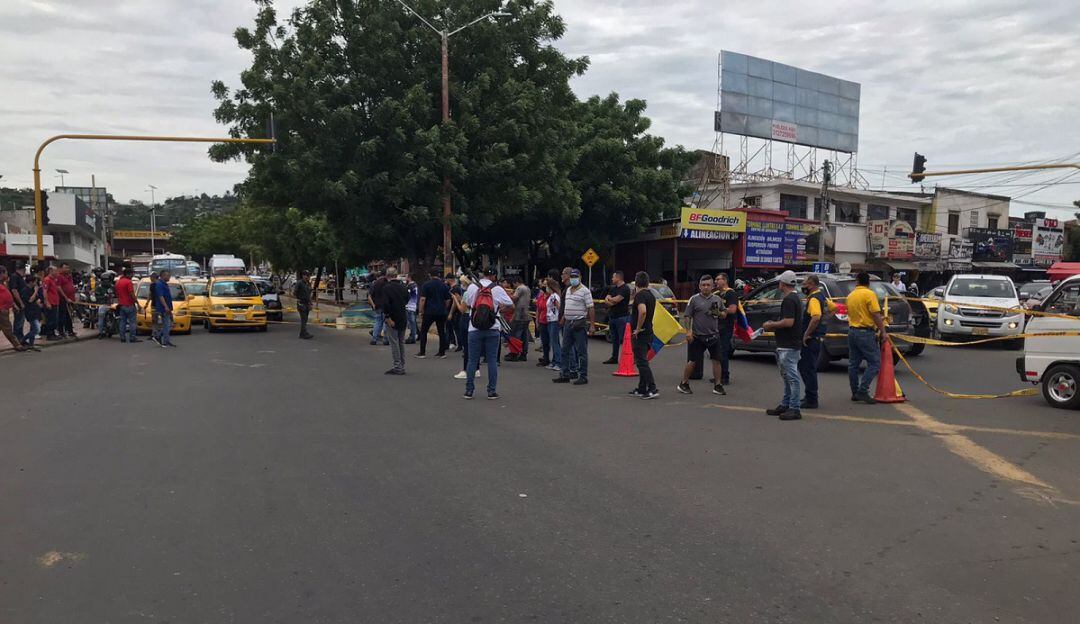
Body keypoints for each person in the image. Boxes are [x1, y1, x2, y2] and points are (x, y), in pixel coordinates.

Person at [463, 267, 514, 399]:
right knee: (492, 360)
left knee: (472, 360)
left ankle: (469, 390)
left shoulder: (473, 287)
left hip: (474, 328)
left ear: (482, 275)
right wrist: (498, 308)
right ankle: (491, 391)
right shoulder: (497, 289)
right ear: (494, 276)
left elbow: (467, 303)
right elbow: (510, 304)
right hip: (493, 328)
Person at [763, 270, 803, 420]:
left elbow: (788, 322)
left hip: (789, 344)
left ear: (782, 284)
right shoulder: (795, 298)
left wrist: (771, 324)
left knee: (791, 377)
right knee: (787, 376)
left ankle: (794, 407)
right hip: (789, 343)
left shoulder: (789, 300)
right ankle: (786, 404)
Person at [677, 275, 726, 396]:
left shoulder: (717, 299)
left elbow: (724, 313)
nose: (705, 287)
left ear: (712, 286)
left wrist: (718, 313)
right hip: (698, 336)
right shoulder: (694, 299)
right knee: (693, 361)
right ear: (699, 286)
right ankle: (684, 383)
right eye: (703, 285)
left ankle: (718, 385)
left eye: (708, 285)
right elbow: (687, 316)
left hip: (713, 336)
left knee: (717, 360)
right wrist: (688, 331)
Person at [847, 271, 887, 404]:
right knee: (875, 363)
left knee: (853, 364)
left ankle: (855, 392)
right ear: (868, 282)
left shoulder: (851, 295)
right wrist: (883, 331)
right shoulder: (870, 294)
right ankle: (863, 390)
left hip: (852, 331)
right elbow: (875, 314)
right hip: (865, 332)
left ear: (857, 281)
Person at [553, 269, 595, 385]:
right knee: (565, 350)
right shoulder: (568, 290)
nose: (573, 279)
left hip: (579, 323)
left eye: (575, 276)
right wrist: (563, 318)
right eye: (571, 276)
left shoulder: (585, 291)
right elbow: (567, 306)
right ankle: (565, 374)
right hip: (568, 323)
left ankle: (583, 375)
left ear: (580, 277)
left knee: (581, 351)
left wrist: (592, 325)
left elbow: (590, 308)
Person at [798, 275, 827, 409]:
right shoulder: (821, 296)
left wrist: (806, 334)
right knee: (808, 368)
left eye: (805, 284)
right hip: (817, 337)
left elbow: (816, 317)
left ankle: (811, 399)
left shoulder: (814, 299)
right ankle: (810, 396)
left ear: (811, 285)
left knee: (807, 368)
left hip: (811, 339)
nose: (803, 287)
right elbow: (833, 308)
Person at [630, 271, 658, 399]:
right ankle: (642, 388)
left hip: (641, 334)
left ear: (636, 282)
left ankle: (652, 388)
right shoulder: (651, 295)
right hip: (649, 332)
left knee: (641, 362)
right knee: (643, 360)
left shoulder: (640, 295)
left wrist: (637, 328)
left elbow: (643, 312)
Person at [417, 267, 451, 359]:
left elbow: (423, 299)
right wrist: (445, 307)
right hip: (441, 311)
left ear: (430, 275)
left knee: (424, 331)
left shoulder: (426, 285)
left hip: (429, 311)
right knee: (441, 331)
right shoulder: (444, 285)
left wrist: (421, 310)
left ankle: (422, 352)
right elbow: (448, 299)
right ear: (438, 274)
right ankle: (442, 352)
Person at [382, 267, 409, 375]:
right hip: (402, 315)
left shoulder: (387, 288)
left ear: (387, 275)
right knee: (401, 342)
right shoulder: (403, 287)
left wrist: (388, 317)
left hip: (392, 317)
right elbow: (407, 298)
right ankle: (402, 364)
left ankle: (397, 366)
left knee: (394, 343)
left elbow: (386, 304)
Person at [714, 273, 739, 386]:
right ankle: (718, 375)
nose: (716, 281)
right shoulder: (717, 294)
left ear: (724, 280)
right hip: (717, 326)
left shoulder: (731, 294)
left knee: (723, 352)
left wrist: (720, 311)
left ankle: (725, 377)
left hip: (726, 326)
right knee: (716, 352)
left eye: (718, 279)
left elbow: (733, 309)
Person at [603, 271, 632, 364]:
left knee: (624, 339)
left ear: (618, 278)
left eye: (613, 277)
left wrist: (612, 300)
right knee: (614, 339)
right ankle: (614, 358)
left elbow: (617, 299)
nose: (612, 279)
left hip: (622, 317)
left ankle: (628, 358)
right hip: (612, 316)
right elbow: (606, 299)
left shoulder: (625, 289)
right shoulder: (613, 288)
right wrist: (612, 300)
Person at [0, 267, 28, 352]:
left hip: (5, 308)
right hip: (2, 309)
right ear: (1, 273)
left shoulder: (3, 283)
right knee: (8, 328)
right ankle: (17, 345)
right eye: (5, 273)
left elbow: (8, 295)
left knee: (5, 327)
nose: (7, 275)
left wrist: (14, 305)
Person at [507, 275, 532, 361]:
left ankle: (515, 353)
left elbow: (514, 298)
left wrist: (507, 295)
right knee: (524, 336)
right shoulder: (527, 288)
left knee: (516, 335)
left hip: (519, 315)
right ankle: (524, 353)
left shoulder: (520, 288)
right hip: (526, 314)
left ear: (516, 282)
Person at [542, 277, 563, 371]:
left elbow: (559, 307)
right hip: (550, 320)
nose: (545, 287)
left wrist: (560, 318)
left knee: (555, 342)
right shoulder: (551, 296)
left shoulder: (554, 296)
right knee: (553, 341)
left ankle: (558, 362)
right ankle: (554, 361)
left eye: (546, 286)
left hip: (554, 320)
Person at [115, 267, 140, 343]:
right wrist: (137, 302)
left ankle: (122, 337)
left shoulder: (118, 282)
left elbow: (117, 294)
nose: (132, 275)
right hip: (129, 305)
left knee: (122, 322)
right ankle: (132, 338)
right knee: (132, 322)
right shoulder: (128, 282)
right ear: (128, 274)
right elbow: (132, 293)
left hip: (121, 305)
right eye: (132, 274)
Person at [154, 270, 177, 348]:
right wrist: (165, 306)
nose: (169, 277)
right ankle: (158, 336)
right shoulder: (159, 284)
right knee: (166, 325)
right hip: (163, 308)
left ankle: (166, 341)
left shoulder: (165, 284)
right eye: (168, 276)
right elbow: (161, 296)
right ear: (163, 276)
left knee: (168, 325)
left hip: (167, 307)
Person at [21, 273, 43, 350]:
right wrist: (36, 291)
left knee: (33, 328)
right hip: (30, 312)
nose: (35, 284)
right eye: (34, 282)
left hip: (36, 311)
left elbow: (36, 299)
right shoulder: (25, 290)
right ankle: (23, 339)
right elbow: (30, 300)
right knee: (37, 329)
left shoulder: (32, 289)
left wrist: (39, 303)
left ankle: (31, 344)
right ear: (30, 282)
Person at [57, 262, 77, 339]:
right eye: (65, 267)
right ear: (61, 268)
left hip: (70, 299)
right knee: (63, 316)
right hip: (62, 299)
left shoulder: (69, 276)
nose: (67, 269)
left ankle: (70, 330)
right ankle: (61, 331)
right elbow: (59, 288)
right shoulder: (59, 276)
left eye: (68, 268)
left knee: (69, 316)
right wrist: (66, 298)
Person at [368, 270, 389, 346]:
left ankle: (374, 339)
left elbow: (369, 296)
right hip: (385, 306)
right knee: (385, 323)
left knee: (377, 322)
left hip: (377, 306)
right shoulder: (387, 283)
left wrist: (373, 305)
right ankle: (386, 339)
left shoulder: (375, 283)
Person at [9, 264, 27, 345]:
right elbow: (14, 290)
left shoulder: (19, 277)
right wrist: (20, 302)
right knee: (19, 321)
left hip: (21, 302)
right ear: (22, 269)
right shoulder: (15, 277)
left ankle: (20, 338)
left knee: (21, 321)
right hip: (18, 303)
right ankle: (18, 339)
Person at [94, 270, 115, 339]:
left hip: (112, 304)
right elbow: (97, 297)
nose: (106, 281)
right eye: (104, 280)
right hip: (103, 304)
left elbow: (116, 295)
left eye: (107, 279)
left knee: (117, 316)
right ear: (102, 280)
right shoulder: (99, 287)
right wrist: (104, 296)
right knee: (101, 318)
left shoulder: (112, 286)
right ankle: (100, 332)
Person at [42, 265, 61, 341]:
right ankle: (50, 335)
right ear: (50, 271)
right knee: (50, 319)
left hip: (55, 302)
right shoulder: (47, 279)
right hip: (51, 303)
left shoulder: (53, 280)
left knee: (54, 319)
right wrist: (47, 302)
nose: (56, 272)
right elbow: (45, 291)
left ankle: (53, 333)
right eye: (55, 271)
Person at [294, 269, 314, 339]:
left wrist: (310, 303)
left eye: (308, 275)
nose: (307, 277)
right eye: (306, 275)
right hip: (301, 303)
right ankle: (303, 333)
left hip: (307, 304)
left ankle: (303, 333)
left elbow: (308, 295)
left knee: (305, 319)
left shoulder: (308, 283)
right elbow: (295, 292)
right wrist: (299, 298)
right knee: (304, 319)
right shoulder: (299, 283)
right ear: (303, 276)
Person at [534, 281, 550, 367]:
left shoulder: (553, 296)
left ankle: (555, 360)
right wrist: (537, 321)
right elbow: (538, 309)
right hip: (542, 321)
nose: (543, 286)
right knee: (545, 342)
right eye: (543, 284)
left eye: (545, 284)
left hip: (551, 322)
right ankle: (546, 357)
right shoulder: (541, 296)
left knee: (553, 342)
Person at [444, 274, 461, 351]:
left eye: (446, 279)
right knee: (449, 327)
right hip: (451, 311)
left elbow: (455, 302)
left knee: (455, 328)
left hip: (455, 312)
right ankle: (450, 342)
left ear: (450, 279)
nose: (446, 281)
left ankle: (459, 344)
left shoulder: (455, 289)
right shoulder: (451, 288)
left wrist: (450, 313)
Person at [404, 274, 419, 344]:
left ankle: (413, 337)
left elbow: (407, 296)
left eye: (406, 276)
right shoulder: (415, 285)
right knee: (413, 322)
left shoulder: (410, 286)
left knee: (411, 322)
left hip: (409, 306)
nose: (405, 278)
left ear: (409, 277)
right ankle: (414, 335)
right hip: (414, 306)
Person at [147, 272, 162, 344]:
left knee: (158, 320)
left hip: (159, 304)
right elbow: (150, 295)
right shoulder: (152, 285)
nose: (150, 278)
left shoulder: (159, 284)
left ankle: (158, 334)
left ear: (154, 277)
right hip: (154, 304)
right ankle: (154, 334)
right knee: (154, 320)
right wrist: (147, 303)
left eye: (151, 277)